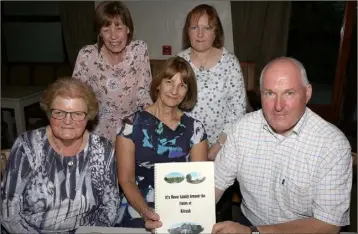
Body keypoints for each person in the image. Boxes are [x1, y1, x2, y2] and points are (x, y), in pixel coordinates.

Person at [212, 57, 352, 233]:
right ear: (260, 94)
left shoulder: (333, 145)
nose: (278, 106)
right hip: (250, 221)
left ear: (307, 93)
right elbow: (215, 184)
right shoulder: (242, 129)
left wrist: (254, 232)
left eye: (289, 93)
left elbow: (329, 224)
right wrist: (175, 211)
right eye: (270, 93)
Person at [1, 78, 120, 233]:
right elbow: (9, 211)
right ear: (49, 114)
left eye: (77, 114)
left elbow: (110, 204)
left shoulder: (102, 149)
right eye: (59, 113)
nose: (68, 121)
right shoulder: (27, 146)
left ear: (89, 116)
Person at [116, 56, 208, 228]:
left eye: (182, 85)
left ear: (187, 91)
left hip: (180, 205)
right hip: (137, 203)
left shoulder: (195, 129)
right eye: (169, 82)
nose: (175, 90)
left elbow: (197, 185)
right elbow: (126, 180)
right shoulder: (131, 125)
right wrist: (146, 213)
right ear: (158, 84)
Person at [73, 1, 152, 143]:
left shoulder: (139, 50)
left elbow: (144, 94)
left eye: (119, 27)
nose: (113, 36)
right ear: (99, 32)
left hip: (133, 129)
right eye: (106, 29)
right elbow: (77, 98)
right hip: (97, 131)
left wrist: (153, 127)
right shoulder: (87, 55)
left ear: (128, 29)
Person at [177, 4, 247, 160]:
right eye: (194, 27)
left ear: (216, 32)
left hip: (221, 147)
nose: (200, 34)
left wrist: (219, 146)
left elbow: (237, 110)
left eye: (207, 28)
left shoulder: (230, 63)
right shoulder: (179, 61)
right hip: (182, 145)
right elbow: (169, 104)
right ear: (187, 31)